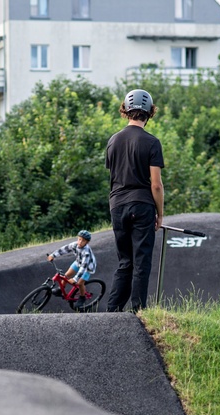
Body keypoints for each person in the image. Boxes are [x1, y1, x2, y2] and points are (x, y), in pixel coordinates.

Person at [104, 89, 165, 313]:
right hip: (142, 205)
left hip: (117, 205)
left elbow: (114, 176)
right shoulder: (152, 142)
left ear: (125, 110)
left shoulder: (113, 141)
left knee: (125, 261)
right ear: (149, 113)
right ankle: (138, 311)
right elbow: (156, 185)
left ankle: (113, 310)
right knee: (141, 261)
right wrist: (160, 213)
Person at [47, 230, 97, 310]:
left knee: (80, 283)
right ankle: (60, 289)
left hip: (87, 267)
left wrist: (75, 279)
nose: (80, 242)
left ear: (87, 242)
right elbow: (64, 249)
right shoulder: (75, 245)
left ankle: (82, 297)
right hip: (78, 262)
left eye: (83, 241)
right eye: (79, 239)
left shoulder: (86, 252)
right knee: (66, 275)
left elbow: (83, 267)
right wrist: (53, 255)